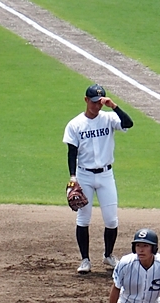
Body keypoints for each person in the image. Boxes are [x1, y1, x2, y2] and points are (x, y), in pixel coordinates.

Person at [63, 84, 134, 274]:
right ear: (86, 100)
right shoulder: (75, 124)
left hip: (105, 175)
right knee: (83, 218)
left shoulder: (109, 118)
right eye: (94, 102)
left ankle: (108, 255)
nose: (97, 106)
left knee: (111, 220)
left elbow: (128, 123)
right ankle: (85, 260)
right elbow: (72, 152)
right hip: (84, 175)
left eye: (100, 103)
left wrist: (114, 106)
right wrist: (73, 177)